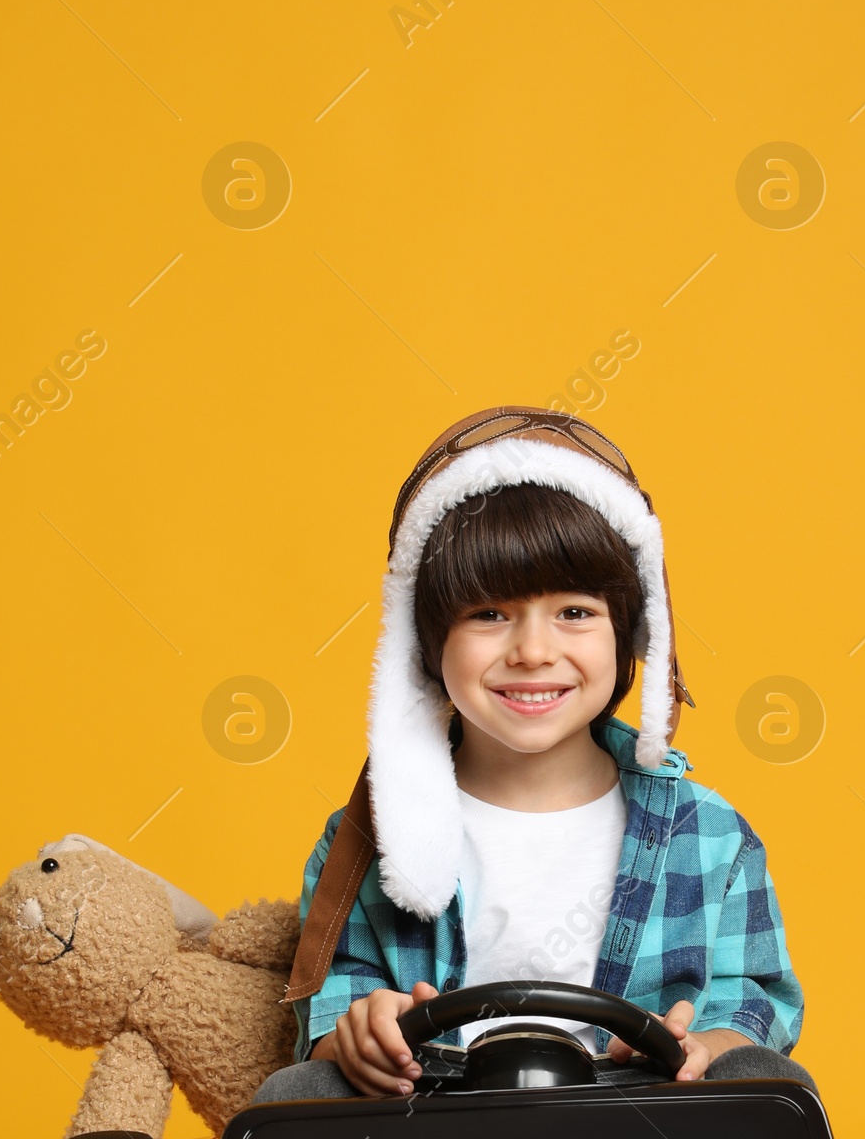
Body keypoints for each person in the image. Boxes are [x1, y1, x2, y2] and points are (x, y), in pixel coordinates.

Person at [259, 408, 808, 1102]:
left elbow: (753, 998)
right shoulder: (371, 835)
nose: (532, 651)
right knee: (299, 1092)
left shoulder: (707, 834)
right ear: (426, 644)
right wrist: (357, 1030)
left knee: (770, 1083)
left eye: (574, 613)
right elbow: (338, 992)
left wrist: (708, 1044)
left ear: (631, 635)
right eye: (488, 614)